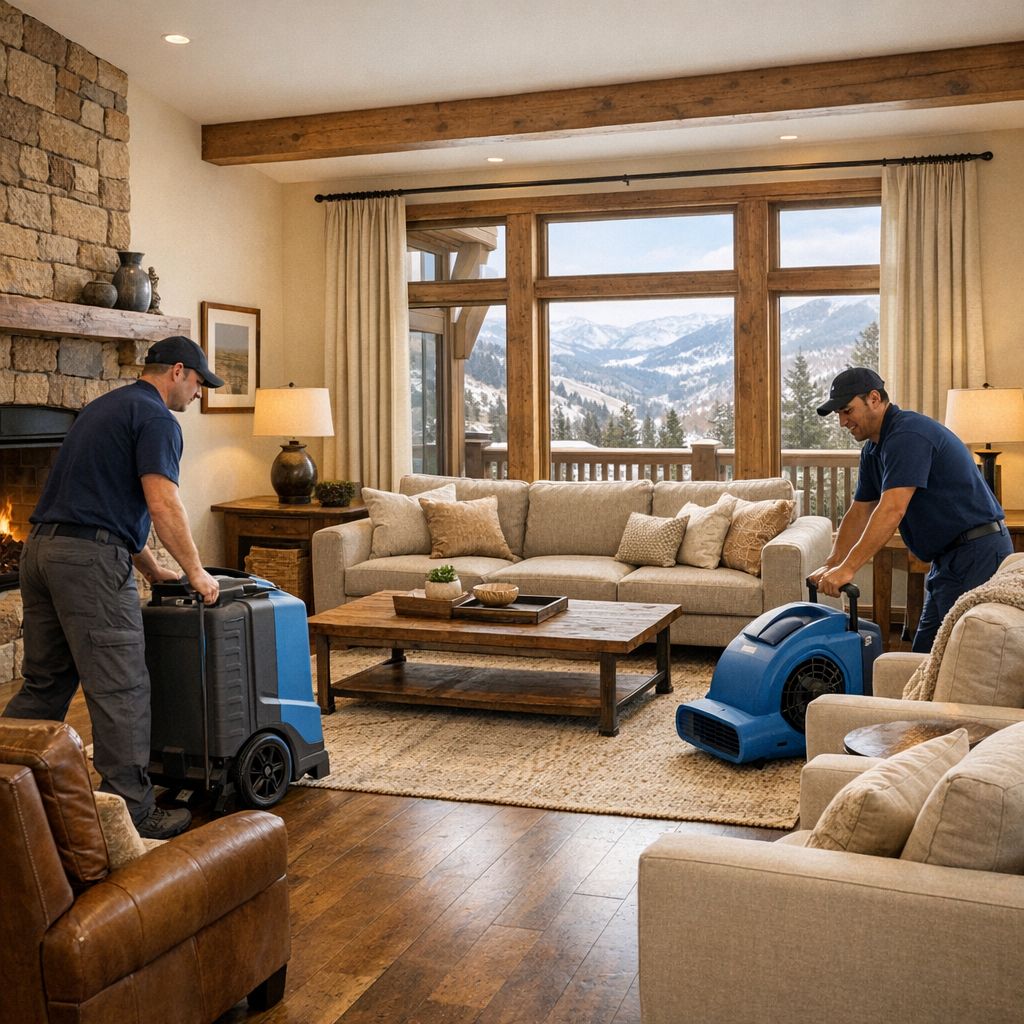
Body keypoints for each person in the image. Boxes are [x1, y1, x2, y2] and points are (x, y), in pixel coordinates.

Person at [1, 336, 223, 840]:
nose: (199, 396)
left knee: (45, 683)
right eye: (199, 385)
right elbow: (162, 502)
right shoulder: (158, 420)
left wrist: (149, 568)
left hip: (41, 551)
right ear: (179, 372)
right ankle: (134, 814)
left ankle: (4, 783)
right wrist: (195, 571)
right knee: (121, 687)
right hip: (88, 566)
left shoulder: (102, 408)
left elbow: (99, 504)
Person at [810, 366, 1013, 654]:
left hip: (977, 554)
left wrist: (849, 568)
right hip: (948, 560)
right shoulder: (873, 449)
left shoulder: (908, 435)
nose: (843, 421)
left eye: (847, 410)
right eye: (839, 415)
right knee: (924, 658)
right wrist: (833, 563)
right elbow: (859, 513)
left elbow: (892, 510)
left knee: (961, 656)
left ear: (874, 399)